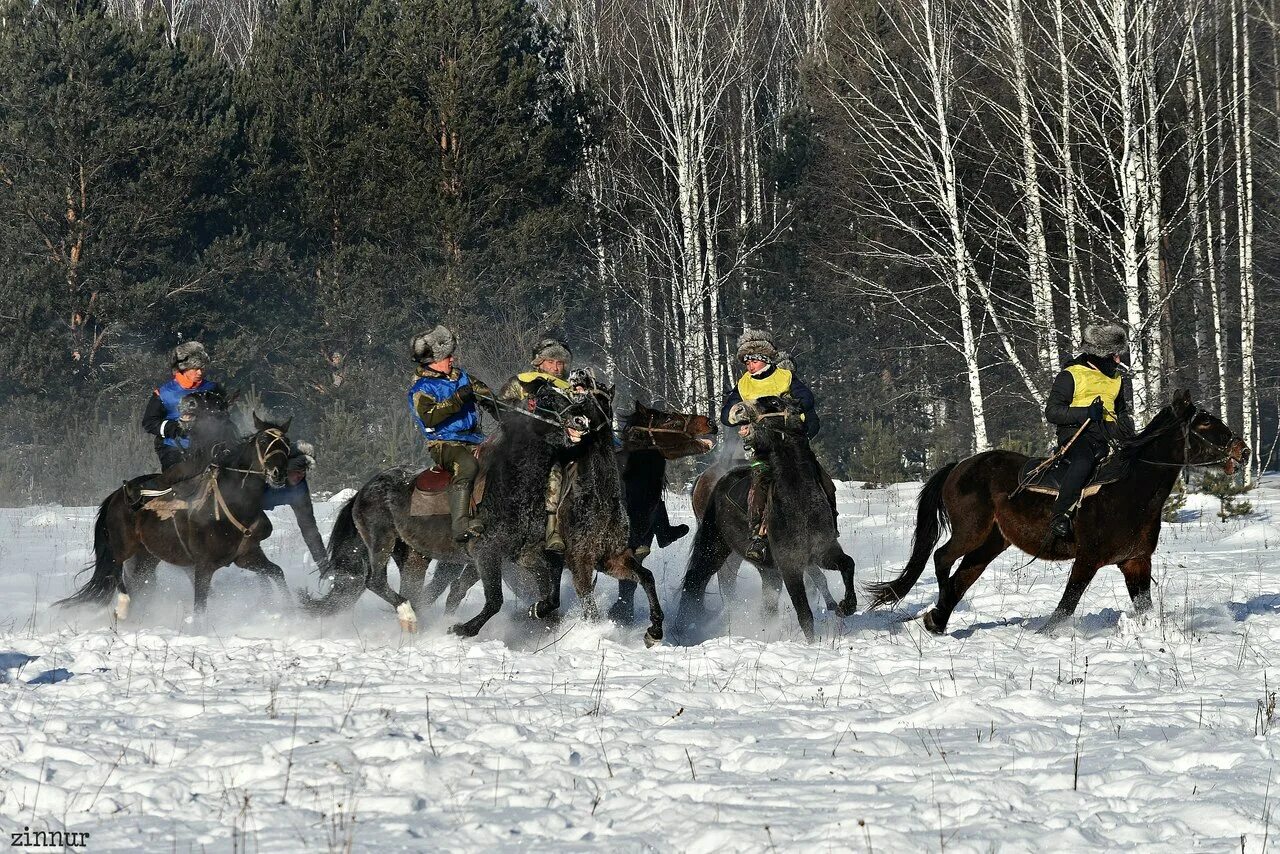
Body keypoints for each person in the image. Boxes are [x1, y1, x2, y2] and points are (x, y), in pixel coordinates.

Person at [719, 329, 819, 562]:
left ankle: (827, 522)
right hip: (761, 447)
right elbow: (727, 414)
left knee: (819, 477)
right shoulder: (743, 384)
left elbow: (807, 398)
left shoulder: (785, 377)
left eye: (752, 360)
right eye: (746, 361)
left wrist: (792, 408)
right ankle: (758, 534)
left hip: (791, 445)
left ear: (763, 360)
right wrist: (737, 414)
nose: (749, 366)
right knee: (760, 482)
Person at [1044, 322, 1136, 542]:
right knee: (1084, 461)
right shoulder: (1071, 375)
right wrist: (1085, 412)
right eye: (1114, 355)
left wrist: (1127, 429)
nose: (1118, 360)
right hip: (1077, 436)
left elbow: (1121, 411)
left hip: (1109, 436)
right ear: (1100, 354)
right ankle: (1060, 515)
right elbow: (1052, 412)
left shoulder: (1117, 379)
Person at [408, 325, 494, 543]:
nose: (452, 359)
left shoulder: (462, 377)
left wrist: (507, 413)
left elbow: (488, 397)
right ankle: (460, 525)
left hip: (475, 438)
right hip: (445, 444)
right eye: (447, 356)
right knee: (467, 466)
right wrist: (457, 400)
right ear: (432, 362)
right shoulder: (422, 388)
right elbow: (429, 417)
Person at [499, 337, 573, 553]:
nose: (557, 367)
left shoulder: (570, 388)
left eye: (561, 363)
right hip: (521, 442)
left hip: (561, 443)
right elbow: (501, 407)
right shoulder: (521, 381)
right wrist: (522, 406)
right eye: (552, 362)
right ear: (539, 362)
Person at [141, 341, 225, 472]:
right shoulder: (163, 393)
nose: (199, 372)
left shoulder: (213, 388)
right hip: (174, 448)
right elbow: (149, 422)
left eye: (202, 368)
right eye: (195, 368)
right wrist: (175, 428)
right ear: (184, 368)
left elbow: (227, 413)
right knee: (182, 482)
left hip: (209, 445)